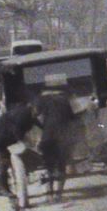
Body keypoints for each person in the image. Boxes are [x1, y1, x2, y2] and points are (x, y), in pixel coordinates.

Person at [0, 85, 41, 204]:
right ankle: (2, 189)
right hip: (0, 136)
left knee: (6, 161)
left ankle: (6, 187)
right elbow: (16, 129)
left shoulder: (29, 114)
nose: (38, 114)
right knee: (4, 163)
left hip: (4, 135)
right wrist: (21, 142)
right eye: (38, 111)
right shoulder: (24, 113)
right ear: (33, 107)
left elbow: (37, 123)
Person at [34, 74, 80, 204]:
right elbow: (73, 118)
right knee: (61, 167)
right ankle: (59, 195)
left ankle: (49, 196)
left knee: (49, 167)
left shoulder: (41, 99)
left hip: (48, 137)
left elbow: (36, 115)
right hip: (63, 138)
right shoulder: (66, 99)